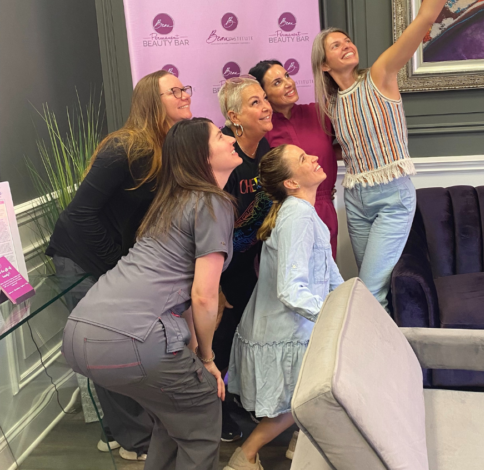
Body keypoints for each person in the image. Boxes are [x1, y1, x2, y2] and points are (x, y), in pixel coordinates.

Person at [61, 117, 241, 470]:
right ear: (200, 157)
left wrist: (192, 352)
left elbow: (183, 294)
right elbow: (204, 296)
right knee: (202, 413)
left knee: (172, 419)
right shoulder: (211, 203)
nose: (230, 139)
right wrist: (206, 359)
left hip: (79, 332)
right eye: (220, 136)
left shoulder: (169, 202)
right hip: (130, 339)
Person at [311, 0, 478, 311]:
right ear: (324, 65)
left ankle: (383, 364)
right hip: (355, 199)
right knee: (371, 290)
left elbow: (425, 19)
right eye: (335, 46)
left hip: (392, 197)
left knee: (370, 291)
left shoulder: (381, 75)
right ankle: (380, 362)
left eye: (347, 40)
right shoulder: (333, 104)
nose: (346, 46)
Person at [46, 70, 193, 460]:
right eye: (173, 90)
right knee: (108, 348)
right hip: (80, 260)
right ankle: (135, 443)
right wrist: (117, 269)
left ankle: (117, 432)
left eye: (184, 88)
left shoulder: (167, 149)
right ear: (151, 100)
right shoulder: (124, 148)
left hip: (110, 264)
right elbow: (80, 215)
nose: (183, 94)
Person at [225, 144, 344, 470]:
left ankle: (301, 444)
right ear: (291, 182)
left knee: (307, 400)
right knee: (301, 402)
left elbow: (330, 274)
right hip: (284, 333)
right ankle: (245, 456)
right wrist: (334, 319)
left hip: (291, 330)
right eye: (304, 159)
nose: (316, 158)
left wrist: (349, 306)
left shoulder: (303, 213)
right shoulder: (297, 217)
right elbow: (291, 290)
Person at [215, 76, 273, 441]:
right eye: (255, 102)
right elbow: (202, 227)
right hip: (217, 269)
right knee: (216, 344)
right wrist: (213, 285)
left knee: (239, 336)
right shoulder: (223, 156)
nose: (265, 105)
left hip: (246, 263)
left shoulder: (262, 149)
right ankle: (213, 415)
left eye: (264, 98)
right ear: (234, 116)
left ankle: (232, 397)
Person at [249, 60, 339, 257]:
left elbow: (346, 145)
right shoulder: (262, 128)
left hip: (324, 209)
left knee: (325, 277)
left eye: (287, 76)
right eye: (277, 82)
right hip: (284, 213)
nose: (288, 83)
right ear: (263, 94)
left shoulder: (319, 112)